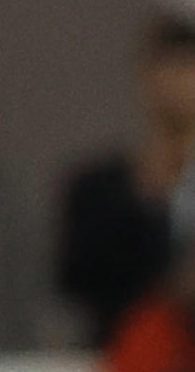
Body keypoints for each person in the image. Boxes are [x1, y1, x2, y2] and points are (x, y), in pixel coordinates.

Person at [57, 19, 195, 348]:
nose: (177, 83)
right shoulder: (96, 188)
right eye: (168, 67)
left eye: (188, 68)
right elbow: (76, 279)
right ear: (145, 77)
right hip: (127, 365)